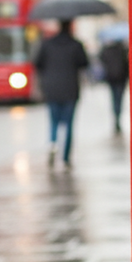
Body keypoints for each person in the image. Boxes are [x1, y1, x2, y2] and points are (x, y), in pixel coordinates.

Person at [34, 19, 89, 168]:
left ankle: (53, 145)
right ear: (70, 26)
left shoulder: (47, 44)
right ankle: (65, 157)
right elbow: (84, 63)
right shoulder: (76, 44)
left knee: (53, 122)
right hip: (70, 89)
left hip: (51, 89)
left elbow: (37, 63)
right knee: (69, 124)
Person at [98, 39, 129, 133]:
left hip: (111, 79)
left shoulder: (107, 50)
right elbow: (127, 64)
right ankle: (118, 117)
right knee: (119, 99)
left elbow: (101, 59)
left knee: (114, 98)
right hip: (121, 79)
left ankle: (115, 118)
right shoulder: (123, 50)